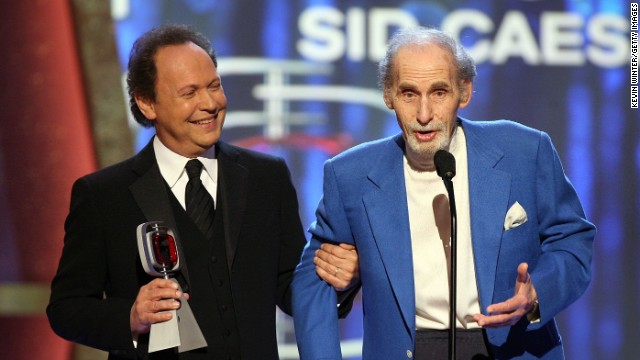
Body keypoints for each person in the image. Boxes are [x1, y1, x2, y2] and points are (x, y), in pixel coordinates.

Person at [47, 24, 358, 360]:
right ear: (146, 102)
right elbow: (67, 309)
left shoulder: (266, 178)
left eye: (214, 86)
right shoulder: (103, 196)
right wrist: (131, 317)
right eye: (189, 92)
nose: (210, 103)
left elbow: (290, 287)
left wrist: (337, 281)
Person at [292, 27, 595, 360]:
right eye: (409, 94)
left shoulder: (525, 151)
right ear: (388, 95)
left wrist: (537, 293)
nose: (424, 115)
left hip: (510, 349)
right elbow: (313, 280)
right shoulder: (350, 174)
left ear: (464, 93)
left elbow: (573, 241)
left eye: (439, 92)